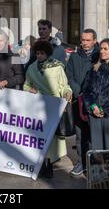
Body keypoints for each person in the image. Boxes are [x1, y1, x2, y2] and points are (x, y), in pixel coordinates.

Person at [23, 40, 72, 178]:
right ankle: (41, 164)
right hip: (38, 106)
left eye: (42, 53)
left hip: (53, 105)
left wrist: (67, 93)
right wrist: (29, 89)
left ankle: (49, 164)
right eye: (37, 53)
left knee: (51, 138)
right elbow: (26, 85)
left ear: (47, 53)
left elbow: (64, 85)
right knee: (40, 136)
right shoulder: (32, 68)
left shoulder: (57, 67)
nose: (39, 56)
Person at [66, 28, 99, 176]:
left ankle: (93, 164)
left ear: (94, 41)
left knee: (93, 134)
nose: (84, 43)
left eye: (88, 40)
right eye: (83, 40)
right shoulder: (74, 56)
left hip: (94, 101)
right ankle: (81, 162)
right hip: (78, 99)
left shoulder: (100, 55)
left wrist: (89, 94)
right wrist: (78, 91)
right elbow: (69, 75)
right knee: (80, 134)